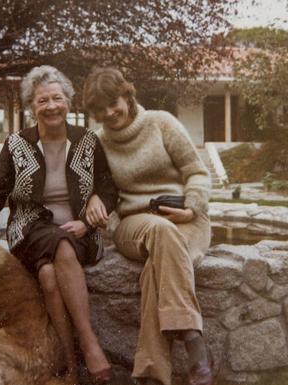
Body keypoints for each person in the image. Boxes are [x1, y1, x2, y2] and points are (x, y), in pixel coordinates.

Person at [0, 65, 117, 384]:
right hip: (30, 231)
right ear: (32, 107)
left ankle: (67, 366)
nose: (51, 105)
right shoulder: (17, 145)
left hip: (81, 233)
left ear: (68, 101)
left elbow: (108, 189)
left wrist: (95, 205)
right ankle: (91, 346)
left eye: (57, 98)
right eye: (42, 101)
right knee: (60, 245)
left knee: (50, 275)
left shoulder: (88, 141)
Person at [82, 67, 213, 385]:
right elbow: (91, 190)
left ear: (127, 95)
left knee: (158, 269)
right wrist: (93, 202)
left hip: (186, 220)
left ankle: (151, 374)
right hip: (135, 224)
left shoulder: (161, 123)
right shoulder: (97, 143)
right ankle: (193, 338)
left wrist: (192, 207)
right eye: (99, 108)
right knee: (160, 231)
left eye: (112, 102)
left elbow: (196, 172)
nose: (108, 112)